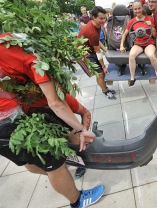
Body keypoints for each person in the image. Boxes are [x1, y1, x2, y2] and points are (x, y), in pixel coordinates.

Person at [0, 33, 105, 208]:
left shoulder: (7, 42)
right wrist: (82, 130)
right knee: (54, 164)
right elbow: (56, 103)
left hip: (7, 118)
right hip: (7, 120)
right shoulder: (34, 59)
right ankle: (77, 200)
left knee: (30, 162)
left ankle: (67, 169)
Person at [119, 0, 157, 87]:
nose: (137, 11)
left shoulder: (149, 19)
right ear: (133, 9)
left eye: (139, 8)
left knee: (151, 55)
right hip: (138, 44)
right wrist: (121, 45)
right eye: (135, 9)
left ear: (142, 8)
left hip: (149, 43)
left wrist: (150, 26)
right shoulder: (132, 21)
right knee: (131, 55)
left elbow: (155, 35)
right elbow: (125, 34)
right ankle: (132, 77)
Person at [77, 6, 116, 100]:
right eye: (101, 18)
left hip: (90, 50)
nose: (104, 20)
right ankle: (105, 91)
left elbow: (97, 41)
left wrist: (106, 50)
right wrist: (103, 66)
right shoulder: (92, 31)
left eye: (104, 18)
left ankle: (105, 88)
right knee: (100, 73)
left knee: (101, 73)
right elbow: (98, 52)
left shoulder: (97, 25)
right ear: (94, 17)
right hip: (84, 54)